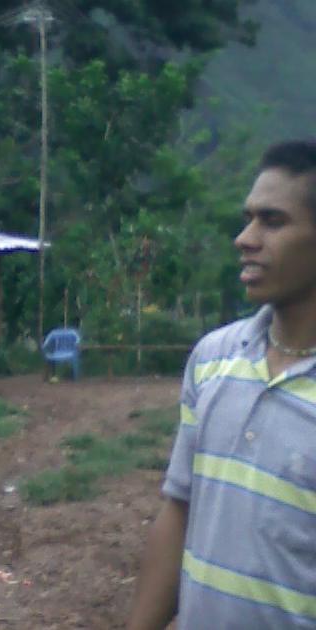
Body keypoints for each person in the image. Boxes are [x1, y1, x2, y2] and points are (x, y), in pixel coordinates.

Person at [127, 139, 316, 629]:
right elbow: (180, 511)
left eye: (272, 221)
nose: (245, 237)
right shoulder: (213, 359)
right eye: (249, 218)